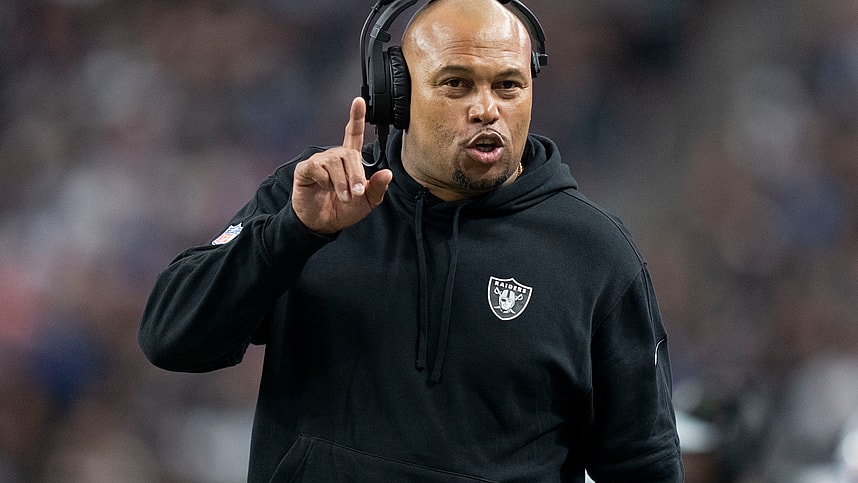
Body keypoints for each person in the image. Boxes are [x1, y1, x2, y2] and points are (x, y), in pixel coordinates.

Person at [138, 0, 684, 481]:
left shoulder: (596, 255)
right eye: (456, 83)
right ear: (395, 96)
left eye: (508, 85)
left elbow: (644, 465)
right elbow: (170, 339)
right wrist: (293, 234)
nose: (487, 108)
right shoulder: (312, 199)